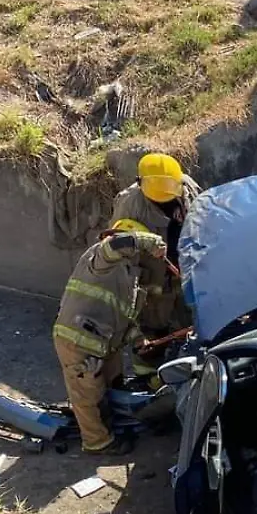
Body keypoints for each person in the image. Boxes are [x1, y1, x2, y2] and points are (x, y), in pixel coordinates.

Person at [53, 224, 167, 454]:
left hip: (103, 342)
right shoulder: (99, 257)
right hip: (78, 341)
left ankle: (111, 421)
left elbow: (123, 316)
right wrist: (148, 241)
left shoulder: (126, 275)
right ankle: (97, 442)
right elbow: (116, 245)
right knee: (88, 393)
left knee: (112, 382)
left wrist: (138, 340)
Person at [110, 153, 202, 374]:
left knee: (187, 325)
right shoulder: (130, 204)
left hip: (185, 271)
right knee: (152, 330)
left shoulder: (186, 188)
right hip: (153, 278)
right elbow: (119, 245)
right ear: (141, 183)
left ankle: (186, 372)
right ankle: (148, 377)